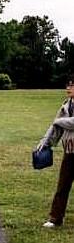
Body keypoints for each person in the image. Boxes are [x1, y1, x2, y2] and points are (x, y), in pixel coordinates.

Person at [37, 76, 74, 228]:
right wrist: (45, 142)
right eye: (68, 85)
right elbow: (55, 127)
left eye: (72, 86)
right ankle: (55, 218)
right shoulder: (66, 105)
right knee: (62, 185)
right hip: (70, 150)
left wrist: (59, 121)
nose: (68, 88)